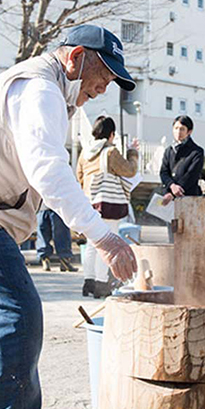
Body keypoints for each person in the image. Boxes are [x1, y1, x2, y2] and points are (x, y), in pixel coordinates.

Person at [0, 24, 138, 409]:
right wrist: (104, 238)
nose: (104, 88)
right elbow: (48, 171)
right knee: (18, 321)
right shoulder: (41, 90)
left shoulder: (52, 89)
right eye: (102, 76)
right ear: (75, 58)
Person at [77, 116, 138, 298]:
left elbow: (79, 176)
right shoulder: (110, 152)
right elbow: (129, 170)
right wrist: (133, 153)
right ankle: (101, 284)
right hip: (107, 204)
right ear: (111, 134)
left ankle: (88, 282)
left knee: (92, 244)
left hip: (89, 202)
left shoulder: (84, 153)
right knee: (107, 243)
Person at [160, 115, 204, 243]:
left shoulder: (196, 152)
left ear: (189, 131)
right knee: (172, 236)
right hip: (170, 200)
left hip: (188, 199)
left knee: (188, 236)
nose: (178, 132)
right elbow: (163, 172)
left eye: (182, 129)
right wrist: (171, 186)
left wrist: (174, 191)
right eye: (176, 128)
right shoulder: (169, 150)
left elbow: (191, 175)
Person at [36, 204, 77, 272]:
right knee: (60, 234)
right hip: (55, 207)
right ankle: (63, 261)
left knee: (44, 234)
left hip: (49, 207)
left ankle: (47, 260)